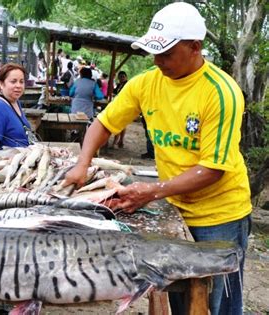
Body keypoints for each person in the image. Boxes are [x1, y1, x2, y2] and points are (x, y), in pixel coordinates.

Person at [64, 3, 251, 315]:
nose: (157, 61)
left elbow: (212, 169)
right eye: (154, 53)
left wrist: (151, 191)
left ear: (195, 47)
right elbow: (103, 124)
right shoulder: (146, 83)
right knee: (179, 293)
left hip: (220, 215)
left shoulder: (221, 93)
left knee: (218, 303)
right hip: (176, 203)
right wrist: (82, 163)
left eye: (166, 53)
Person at [0, 63, 32, 152]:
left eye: (21, 81)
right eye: (13, 81)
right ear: (1, 84)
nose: (18, 86)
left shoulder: (14, 101)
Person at [111, 71, 128, 148]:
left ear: (126, 77)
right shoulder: (118, 85)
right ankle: (120, 141)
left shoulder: (127, 84)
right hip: (119, 105)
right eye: (120, 77)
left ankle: (116, 142)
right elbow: (113, 91)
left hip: (125, 105)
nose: (121, 78)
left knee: (120, 124)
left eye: (123, 77)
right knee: (122, 124)